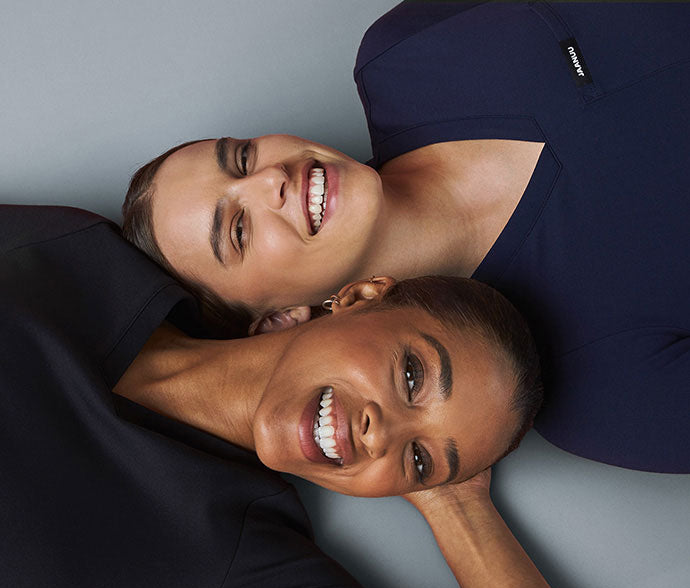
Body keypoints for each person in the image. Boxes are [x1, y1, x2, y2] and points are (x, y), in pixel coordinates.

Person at [1, 203, 652, 588]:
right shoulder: (76, 254)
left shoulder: (243, 577)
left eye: (420, 458)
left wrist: (458, 503)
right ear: (360, 296)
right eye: (411, 375)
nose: (383, 433)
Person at [122, 1, 690, 474]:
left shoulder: (403, 53)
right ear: (280, 320)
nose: (269, 178)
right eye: (238, 230)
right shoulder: (598, 395)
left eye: (241, 157)